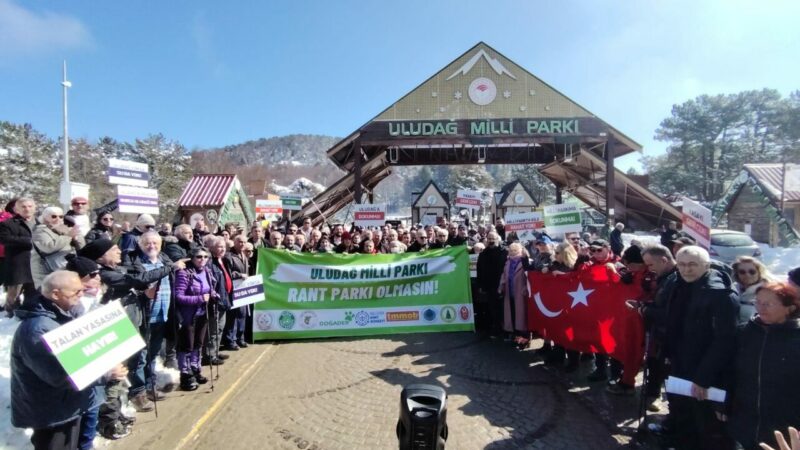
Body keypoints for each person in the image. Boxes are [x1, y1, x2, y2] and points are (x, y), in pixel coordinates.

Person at [11, 271, 128, 449]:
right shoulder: (36, 329)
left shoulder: (65, 314)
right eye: (76, 292)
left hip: (70, 405)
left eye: (82, 290)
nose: (81, 296)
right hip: (52, 414)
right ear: (55, 294)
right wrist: (106, 374)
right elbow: (58, 375)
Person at [662, 245, 739, 449]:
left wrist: (704, 377)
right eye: (682, 265)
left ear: (706, 265)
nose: (687, 269)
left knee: (705, 425)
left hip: (705, 372)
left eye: (693, 265)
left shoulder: (720, 294)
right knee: (683, 416)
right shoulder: (678, 285)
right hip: (680, 363)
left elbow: (725, 340)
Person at [726, 281, 800, 450]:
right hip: (744, 422)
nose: (761, 308)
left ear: (790, 308)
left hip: (784, 428)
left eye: (768, 304)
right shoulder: (744, 332)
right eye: (757, 302)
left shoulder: (796, 339)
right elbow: (730, 372)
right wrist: (724, 403)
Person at [126, 232, 183, 401]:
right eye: (147, 243)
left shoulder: (164, 260)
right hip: (144, 316)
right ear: (141, 244)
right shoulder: (135, 262)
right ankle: (138, 392)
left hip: (162, 314)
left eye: (155, 243)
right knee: (140, 356)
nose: (152, 246)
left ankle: (151, 386)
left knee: (154, 353)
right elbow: (138, 282)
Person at [174, 247, 217, 391]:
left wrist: (213, 294)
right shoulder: (184, 273)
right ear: (192, 258)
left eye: (206, 257)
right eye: (199, 256)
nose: (202, 259)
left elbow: (209, 289)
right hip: (188, 315)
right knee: (187, 345)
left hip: (202, 313)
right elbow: (178, 297)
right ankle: (185, 375)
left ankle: (196, 368)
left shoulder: (207, 271)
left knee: (199, 343)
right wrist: (199, 298)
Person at [31, 206, 85, 288]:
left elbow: (82, 247)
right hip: (46, 272)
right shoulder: (39, 231)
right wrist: (68, 236)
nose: (57, 219)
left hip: (63, 268)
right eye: (53, 216)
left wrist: (76, 237)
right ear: (45, 217)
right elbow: (48, 247)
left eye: (61, 216)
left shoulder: (64, 229)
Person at [0, 197, 36, 317]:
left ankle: (28, 314)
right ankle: (9, 317)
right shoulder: (7, 224)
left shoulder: (40, 223)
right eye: (23, 206)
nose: (27, 209)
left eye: (30, 206)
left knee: (33, 293)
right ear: (17, 209)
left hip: (36, 265)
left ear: (34, 208)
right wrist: (29, 241)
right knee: (14, 295)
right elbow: (5, 239)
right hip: (18, 265)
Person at [205, 236, 232, 364]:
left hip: (224, 299)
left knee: (220, 328)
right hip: (216, 302)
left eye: (224, 247)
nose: (222, 249)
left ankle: (215, 351)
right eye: (219, 247)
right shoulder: (210, 263)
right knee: (214, 329)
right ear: (212, 248)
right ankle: (209, 355)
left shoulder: (222, 260)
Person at [500, 242, 530, 347]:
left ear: (520, 250)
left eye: (515, 250)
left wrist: (526, 288)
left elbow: (529, 277)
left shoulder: (525, 261)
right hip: (510, 292)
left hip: (521, 293)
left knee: (522, 318)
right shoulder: (508, 262)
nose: (513, 252)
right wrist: (501, 286)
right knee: (513, 316)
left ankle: (525, 341)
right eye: (511, 250)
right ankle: (517, 338)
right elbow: (504, 275)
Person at [477, 232, 507, 337]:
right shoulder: (483, 253)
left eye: (493, 238)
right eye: (489, 239)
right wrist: (480, 285)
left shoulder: (505, 252)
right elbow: (479, 270)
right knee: (492, 308)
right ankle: (495, 328)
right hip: (489, 286)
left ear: (498, 239)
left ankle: (505, 329)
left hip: (503, 285)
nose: (491, 241)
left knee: (503, 308)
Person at [222, 235, 249, 351]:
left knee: (242, 314)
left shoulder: (244, 255)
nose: (242, 244)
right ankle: (230, 340)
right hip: (233, 289)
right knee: (232, 316)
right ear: (235, 242)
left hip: (243, 288)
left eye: (244, 242)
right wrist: (239, 275)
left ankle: (240, 338)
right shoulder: (229, 256)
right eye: (240, 242)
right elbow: (227, 274)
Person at [732, 256, 773, 325]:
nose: (747, 275)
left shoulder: (768, 291)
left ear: (759, 272)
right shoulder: (733, 288)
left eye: (752, 272)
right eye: (742, 272)